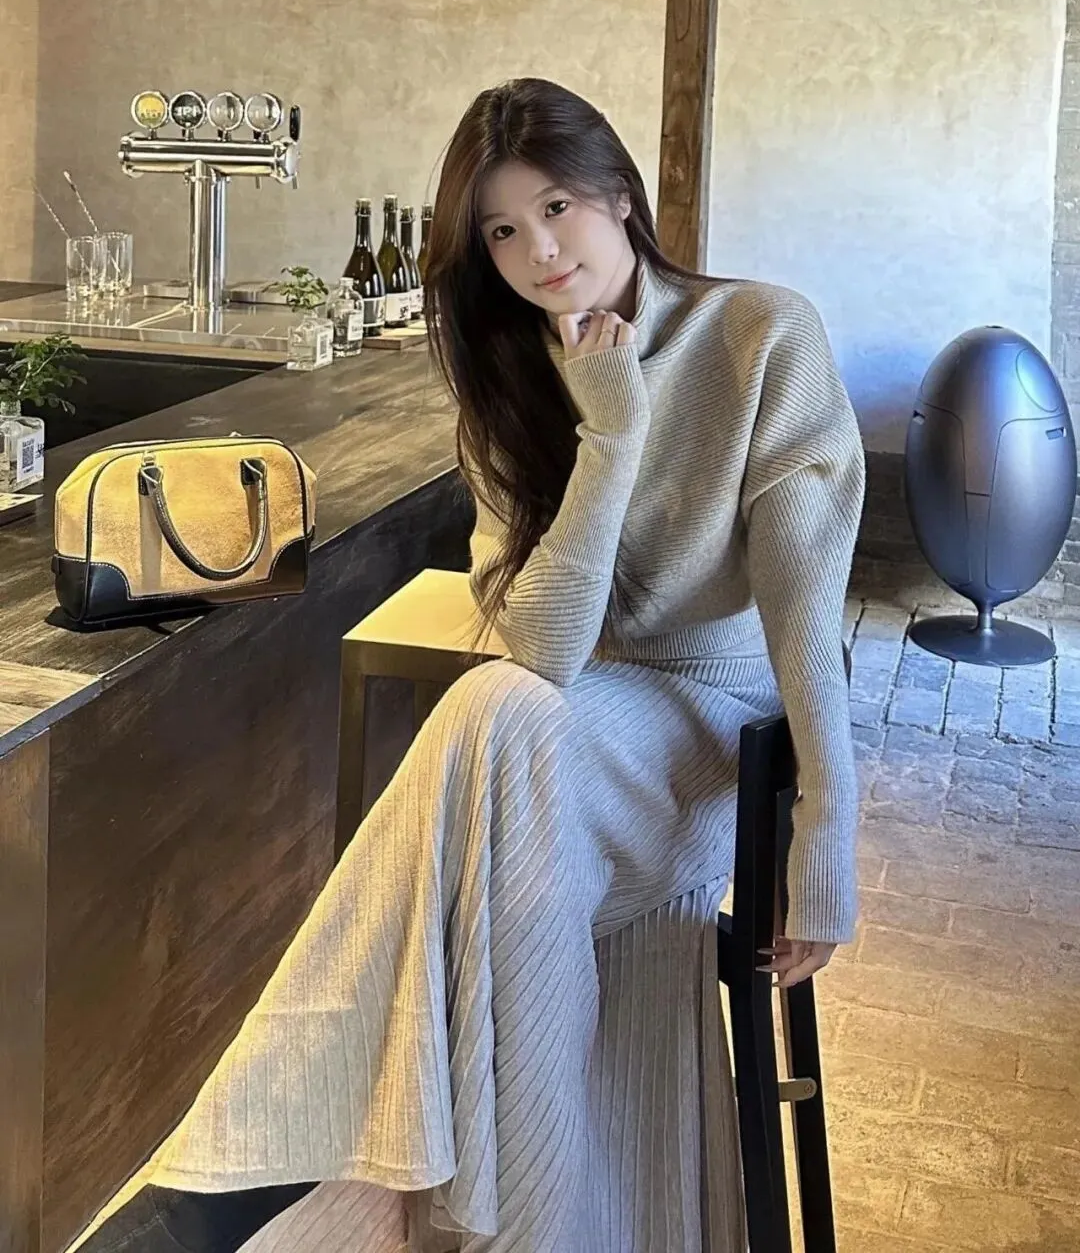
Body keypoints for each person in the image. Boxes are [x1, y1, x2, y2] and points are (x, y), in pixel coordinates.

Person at [82, 78, 865, 1253]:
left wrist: (828, 833)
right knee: (503, 717)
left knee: (495, 721)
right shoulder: (508, 376)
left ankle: (259, 1175)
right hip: (563, 724)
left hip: (712, 736)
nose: (539, 252)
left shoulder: (761, 334)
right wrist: (607, 432)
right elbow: (545, 647)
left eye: (556, 208)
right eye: (502, 230)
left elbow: (805, 609)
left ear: (618, 195)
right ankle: (410, 1195)